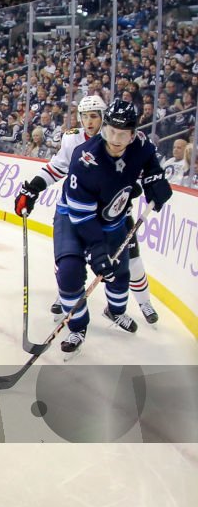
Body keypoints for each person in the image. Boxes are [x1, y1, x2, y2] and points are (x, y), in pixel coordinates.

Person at [15, 95, 160, 325]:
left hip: (115, 213)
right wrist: (33, 188)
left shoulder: (126, 141)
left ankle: (142, 303)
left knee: (130, 260)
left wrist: (145, 184)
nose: (88, 122)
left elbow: (142, 170)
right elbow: (55, 169)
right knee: (70, 259)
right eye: (84, 116)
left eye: (94, 116)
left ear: (104, 118)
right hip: (79, 209)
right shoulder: (73, 141)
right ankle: (66, 295)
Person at [51, 99, 172, 357]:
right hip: (73, 218)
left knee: (120, 274)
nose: (116, 139)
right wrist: (97, 249)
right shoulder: (85, 158)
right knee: (70, 271)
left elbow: (150, 162)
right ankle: (78, 327)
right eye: (111, 132)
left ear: (134, 134)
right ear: (105, 128)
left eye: (123, 134)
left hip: (112, 220)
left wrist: (155, 180)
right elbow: (81, 214)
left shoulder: (141, 145)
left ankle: (115, 311)